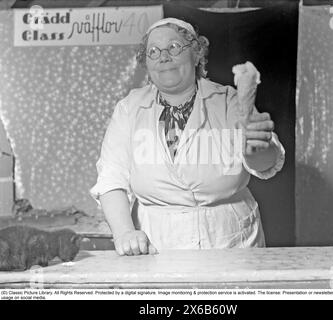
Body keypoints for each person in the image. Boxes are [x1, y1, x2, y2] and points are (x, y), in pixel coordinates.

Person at [90, 18, 285, 256]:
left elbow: (265, 163)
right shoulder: (129, 109)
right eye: (153, 51)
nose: (164, 57)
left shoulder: (229, 101)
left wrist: (257, 150)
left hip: (230, 244)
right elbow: (112, 179)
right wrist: (124, 233)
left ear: (196, 55)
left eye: (174, 47)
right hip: (156, 244)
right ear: (146, 64)